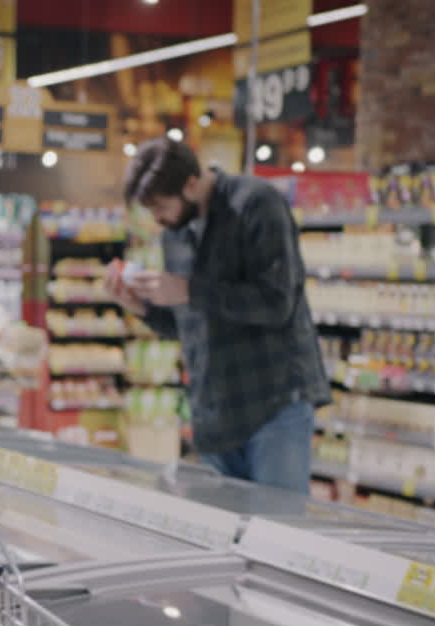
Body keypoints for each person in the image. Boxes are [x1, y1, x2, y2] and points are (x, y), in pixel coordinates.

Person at [105, 138, 330, 493]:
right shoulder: (174, 235)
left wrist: (187, 290)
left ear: (191, 184)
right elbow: (189, 326)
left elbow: (277, 302)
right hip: (214, 416)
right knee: (225, 538)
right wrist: (141, 307)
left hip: (273, 403)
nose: (158, 219)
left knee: (279, 534)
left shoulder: (256, 203)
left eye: (162, 207)